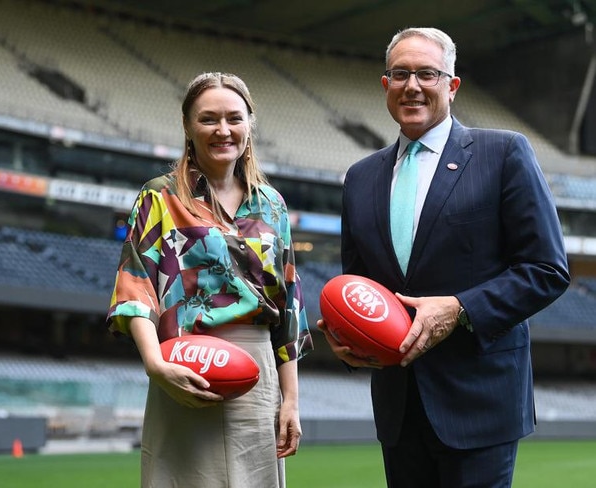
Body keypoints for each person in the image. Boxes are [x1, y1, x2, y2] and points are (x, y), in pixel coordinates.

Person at [318, 27, 570, 488]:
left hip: (480, 405)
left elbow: (547, 269)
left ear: (452, 86)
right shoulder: (359, 178)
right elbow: (359, 286)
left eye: (427, 74)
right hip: (399, 408)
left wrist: (459, 309)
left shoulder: (503, 153)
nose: (412, 85)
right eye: (400, 74)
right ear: (385, 85)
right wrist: (347, 340)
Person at [107, 72, 313, 488]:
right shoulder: (159, 197)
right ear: (187, 125)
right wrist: (156, 366)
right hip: (183, 367)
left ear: (249, 124)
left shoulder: (272, 206)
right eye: (209, 119)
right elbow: (135, 289)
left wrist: (290, 400)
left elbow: (288, 308)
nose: (223, 130)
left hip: (257, 376)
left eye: (234, 118)